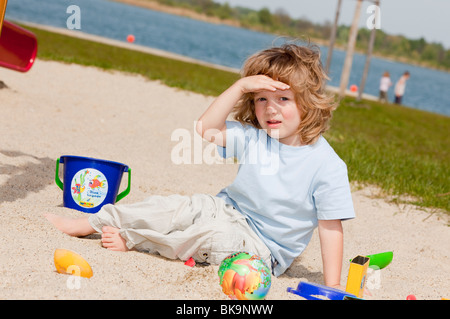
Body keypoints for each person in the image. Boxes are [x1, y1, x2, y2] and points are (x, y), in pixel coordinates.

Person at [45, 43, 355, 289]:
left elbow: (331, 228)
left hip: (262, 250)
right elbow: (207, 128)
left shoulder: (326, 166)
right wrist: (240, 86)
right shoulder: (255, 136)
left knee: (210, 236)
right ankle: (94, 222)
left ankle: (134, 239)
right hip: (225, 208)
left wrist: (333, 284)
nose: (270, 109)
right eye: (260, 99)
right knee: (173, 208)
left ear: (308, 102)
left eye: (283, 99)